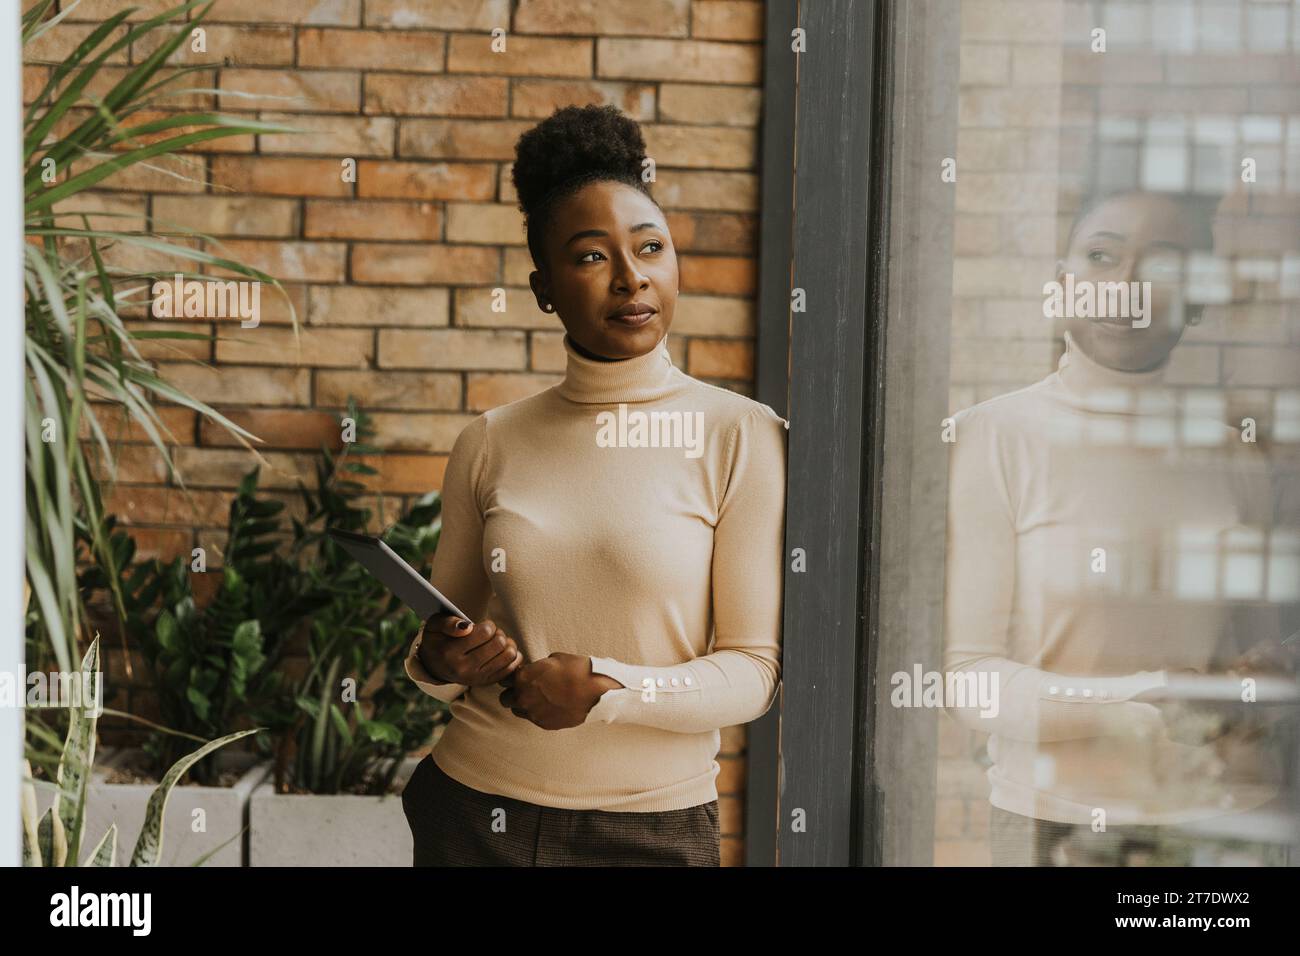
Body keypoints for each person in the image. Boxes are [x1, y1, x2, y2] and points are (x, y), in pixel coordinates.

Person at [399, 104, 789, 866]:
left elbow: (753, 671)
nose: (631, 277)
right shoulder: (489, 441)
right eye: (590, 257)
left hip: (647, 833)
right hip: (473, 816)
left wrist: (609, 687)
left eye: (651, 248)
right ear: (544, 288)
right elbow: (441, 635)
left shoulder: (740, 434)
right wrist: (446, 662)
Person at [941, 188, 1293, 866]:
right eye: (1102, 256)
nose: (1126, 287)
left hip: (1224, 830)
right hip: (1058, 826)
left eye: (1162, 267)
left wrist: (1264, 685)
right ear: (1062, 282)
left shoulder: (1235, 456)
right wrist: (1140, 701)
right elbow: (969, 680)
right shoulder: (994, 438)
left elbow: (1249, 663)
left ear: (1196, 299)